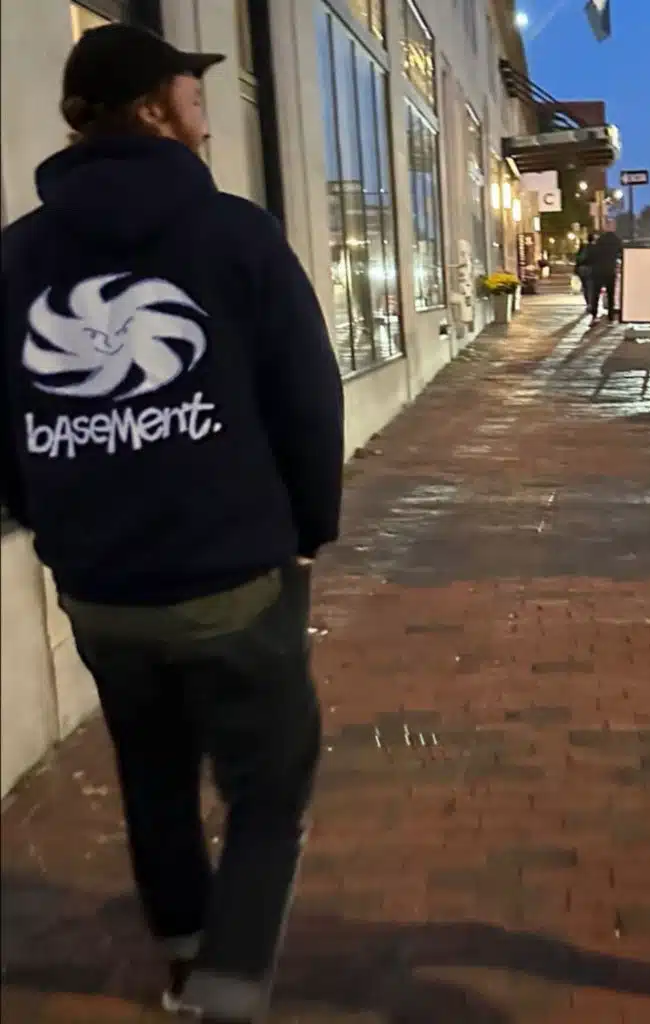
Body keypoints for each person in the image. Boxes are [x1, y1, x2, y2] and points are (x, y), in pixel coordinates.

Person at [0, 25, 344, 1024]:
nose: (206, 112)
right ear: (153, 109)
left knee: (150, 773)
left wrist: (53, 527)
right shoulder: (235, 235)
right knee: (269, 784)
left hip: (100, 590)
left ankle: (188, 952)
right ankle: (227, 990)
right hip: (233, 577)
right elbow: (308, 397)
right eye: (192, 94)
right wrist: (303, 533)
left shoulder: (16, 256)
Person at [586, 229, 624, 325]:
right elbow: (621, 255)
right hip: (610, 272)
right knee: (611, 295)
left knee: (595, 295)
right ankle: (611, 317)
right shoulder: (615, 244)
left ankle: (594, 315)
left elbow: (589, 259)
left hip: (597, 272)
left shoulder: (597, 245)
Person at [574, 231, 596, 309]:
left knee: (585, 287)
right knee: (590, 287)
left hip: (582, 269)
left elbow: (577, 259)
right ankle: (590, 303)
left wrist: (576, 270)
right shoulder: (596, 247)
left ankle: (588, 303)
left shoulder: (583, 247)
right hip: (591, 269)